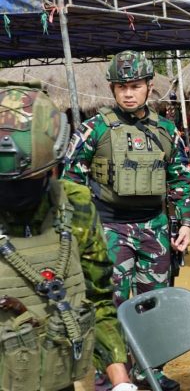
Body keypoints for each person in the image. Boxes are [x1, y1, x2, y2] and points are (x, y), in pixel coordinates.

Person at [62, 50, 190, 390]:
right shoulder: (94, 130)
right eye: (122, 87)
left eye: (135, 86)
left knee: (154, 303)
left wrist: (185, 223)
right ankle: (110, 375)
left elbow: (179, 178)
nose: (129, 94)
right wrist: (81, 231)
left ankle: (150, 371)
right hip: (109, 228)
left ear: (149, 86)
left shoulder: (166, 130)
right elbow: (71, 181)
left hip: (154, 228)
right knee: (111, 303)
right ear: (113, 89)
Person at [0, 82, 138, 391]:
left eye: (28, 179)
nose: (16, 193)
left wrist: (120, 379)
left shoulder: (74, 205)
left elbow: (97, 300)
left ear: (54, 167)